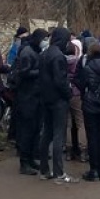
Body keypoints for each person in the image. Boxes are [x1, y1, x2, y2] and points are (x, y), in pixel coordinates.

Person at [38, 27, 77, 183]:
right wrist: (68, 94)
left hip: (45, 98)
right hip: (58, 100)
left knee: (46, 133)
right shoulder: (58, 56)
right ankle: (59, 173)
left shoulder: (45, 54)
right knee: (58, 134)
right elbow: (60, 80)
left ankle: (44, 170)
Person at [13, 29, 48, 175]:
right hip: (27, 97)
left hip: (36, 96)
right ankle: (24, 161)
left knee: (35, 129)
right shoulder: (27, 52)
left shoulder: (35, 51)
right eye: (45, 38)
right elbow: (23, 73)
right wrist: (42, 71)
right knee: (27, 130)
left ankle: (31, 158)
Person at [81, 41, 100, 181]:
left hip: (90, 104)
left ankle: (94, 170)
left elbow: (81, 84)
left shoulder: (87, 67)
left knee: (92, 137)